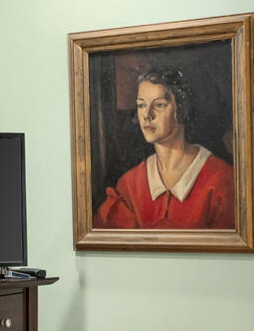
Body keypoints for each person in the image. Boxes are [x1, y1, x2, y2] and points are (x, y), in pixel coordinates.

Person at [95, 68, 235, 229]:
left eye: (159, 105)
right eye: (141, 105)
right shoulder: (129, 184)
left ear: (181, 109)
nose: (147, 114)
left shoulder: (221, 179)